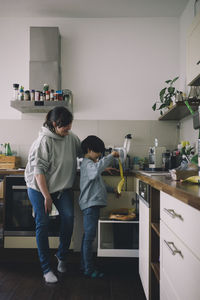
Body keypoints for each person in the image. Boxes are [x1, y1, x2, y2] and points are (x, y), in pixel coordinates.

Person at [25, 106, 81, 283]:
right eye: (66, 128)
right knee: (43, 222)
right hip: (38, 187)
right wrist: (47, 197)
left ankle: (61, 256)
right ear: (55, 124)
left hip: (61, 187)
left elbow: (83, 153)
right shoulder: (43, 141)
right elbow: (38, 173)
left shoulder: (70, 138)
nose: (69, 131)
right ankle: (46, 268)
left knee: (69, 218)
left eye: (70, 127)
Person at [78, 135, 119, 278]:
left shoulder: (90, 164)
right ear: (89, 150)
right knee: (89, 238)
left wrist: (112, 190)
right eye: (98, 153)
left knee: (87, 237)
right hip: (90, 206)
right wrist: (111, 156)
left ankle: (85, 266)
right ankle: (88, 269)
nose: (100, 155)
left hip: (91, 205)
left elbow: (98, 184)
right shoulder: (87, 164)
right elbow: (95, 171)